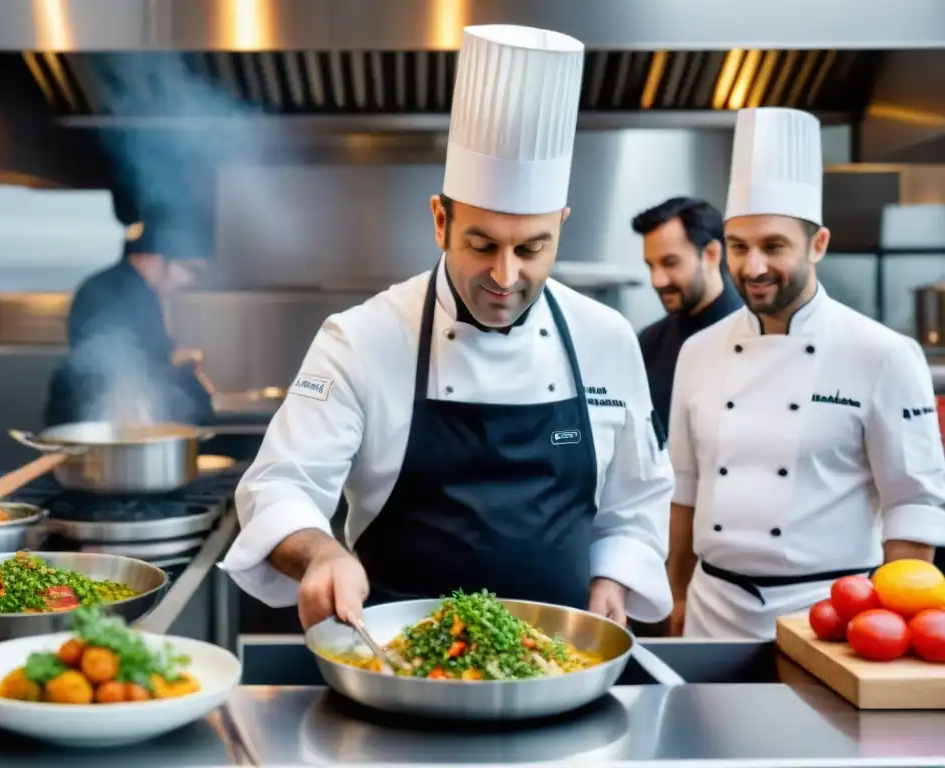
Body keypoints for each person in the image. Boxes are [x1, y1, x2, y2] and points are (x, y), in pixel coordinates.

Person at [220, 24, 674, 631]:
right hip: (399, 665)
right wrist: (320, 552)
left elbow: (636, 501)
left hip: (562, 664)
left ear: (562, 224)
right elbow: (278, 486)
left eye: (533, 248)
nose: (506, 275)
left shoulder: (606, 338)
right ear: (440, 220)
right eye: (482, 244)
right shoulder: (361, 339)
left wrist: (615, 575)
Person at [666, 107, 945, 639]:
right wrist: (677, 593)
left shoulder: (883, 354)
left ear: (818, 244)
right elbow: (685, 486)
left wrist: (891, 625)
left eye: (774, 246)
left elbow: (912, 502)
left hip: (829, 615)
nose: (752, 268)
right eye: (740, 247)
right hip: (712, 609)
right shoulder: (699, 351)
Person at [44, 213, 216, 428]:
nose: (189, 281)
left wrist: (180, 362)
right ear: (153, 258)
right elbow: (115, 374)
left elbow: (148, 358)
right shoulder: (108, 293)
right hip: (94, 424)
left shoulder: (133, 290)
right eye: (190, 269)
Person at [633, 197, 742, 433]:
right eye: (651, 266)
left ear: (711, 254)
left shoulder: (755, 334)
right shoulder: (649, 342)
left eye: (670, 263)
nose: (657, 280)